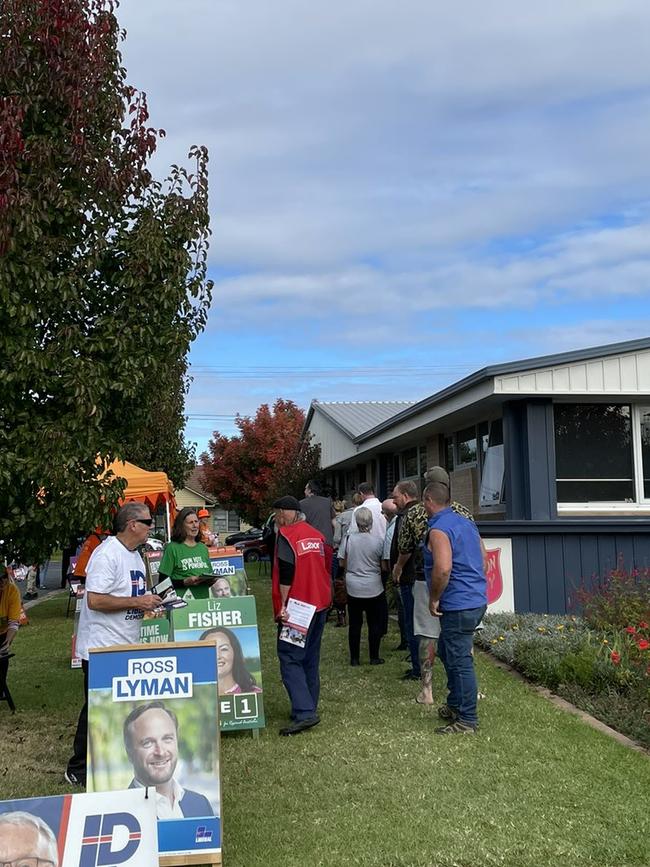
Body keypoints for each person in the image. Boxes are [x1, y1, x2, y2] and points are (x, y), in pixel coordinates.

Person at [65, 502, 163, 787]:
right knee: (96, 709)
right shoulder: (107, 554)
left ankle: (111, 760)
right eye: (148, 522)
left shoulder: (134, 556)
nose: (151, 527)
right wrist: (137, 601)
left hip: (125, 642)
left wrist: (152, 602)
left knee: (122, 708)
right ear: (132, 524)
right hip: (101, 646)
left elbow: (132, 595)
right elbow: (95, 600)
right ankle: (78, 768)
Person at [423, 481, 488, 734]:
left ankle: (467, 720)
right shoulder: (466, 523)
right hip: (476, 599)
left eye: (424, 503)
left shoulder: (439, 529)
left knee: (459, 660)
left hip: (457, 603)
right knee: (449, 653)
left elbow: (443, 568)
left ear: (429, 501)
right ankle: (454, 704)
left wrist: (434, 597)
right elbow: (483, 560)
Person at [271, 495, 332, 736]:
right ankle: (308, 704)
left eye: (276, 514)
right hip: (319, 603)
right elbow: (327, 566)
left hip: (298, 606)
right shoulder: (316, 535)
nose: (276, 519)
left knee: (290, 657)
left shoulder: (287, 535)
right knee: (309, 657)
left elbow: (286, 571)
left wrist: (283, 604)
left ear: (285, 513)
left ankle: (305, 711)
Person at [124, 702, 214, 818]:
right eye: (148, 743)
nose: (160, 752)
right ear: (129, 753)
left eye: (167, 739)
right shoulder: (119, 813)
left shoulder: (201, 805)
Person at [390, 480, 427, 683]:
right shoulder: (423, 512)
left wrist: (398, 567)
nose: (394, 501)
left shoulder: (406, 516)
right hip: (418, 575)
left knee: (413, 623)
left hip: (410, 577)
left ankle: (417, 668)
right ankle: (420, 665)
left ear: (405, 496)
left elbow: (405, 547)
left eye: (395, 497)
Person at [341, 507, 386, 666]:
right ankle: (374, 656)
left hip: (354, 584)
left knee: (355, 623)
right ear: (371, 522)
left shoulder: (348, 539)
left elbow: (341, 561)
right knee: (374, 622)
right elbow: (383, 564)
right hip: (373, 585)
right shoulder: (378, 541)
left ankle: (355, 658)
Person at [158, 508, 213, 600]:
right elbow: (162, 584)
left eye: (196, 521)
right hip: (181, 605)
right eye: (190, 522)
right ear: (181, 526)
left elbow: (209, 575)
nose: (195, 525)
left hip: (203, 605)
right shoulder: (172, 548)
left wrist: (213, 579)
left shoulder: (203, 548)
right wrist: (184, 582)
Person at [200, 626, 262, 694]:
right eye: (210, 650)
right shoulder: (193, 697)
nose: (217, 656)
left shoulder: (254, 693)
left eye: (224, 649)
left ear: (235, 653)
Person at [299, 479, 336, 571]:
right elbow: (334, 522)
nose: (304, 491)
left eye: (305, 489)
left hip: (310, 545)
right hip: (327, 542)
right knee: (326, 573)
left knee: (313, 573)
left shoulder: (301, 504)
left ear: (310, 490)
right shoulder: (327, 502)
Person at [0, 566, 21, 655]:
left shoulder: (12, 590)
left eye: (4, 577)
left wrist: (7, 643)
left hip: (3, 633)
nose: (2, 581)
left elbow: (13, 622)